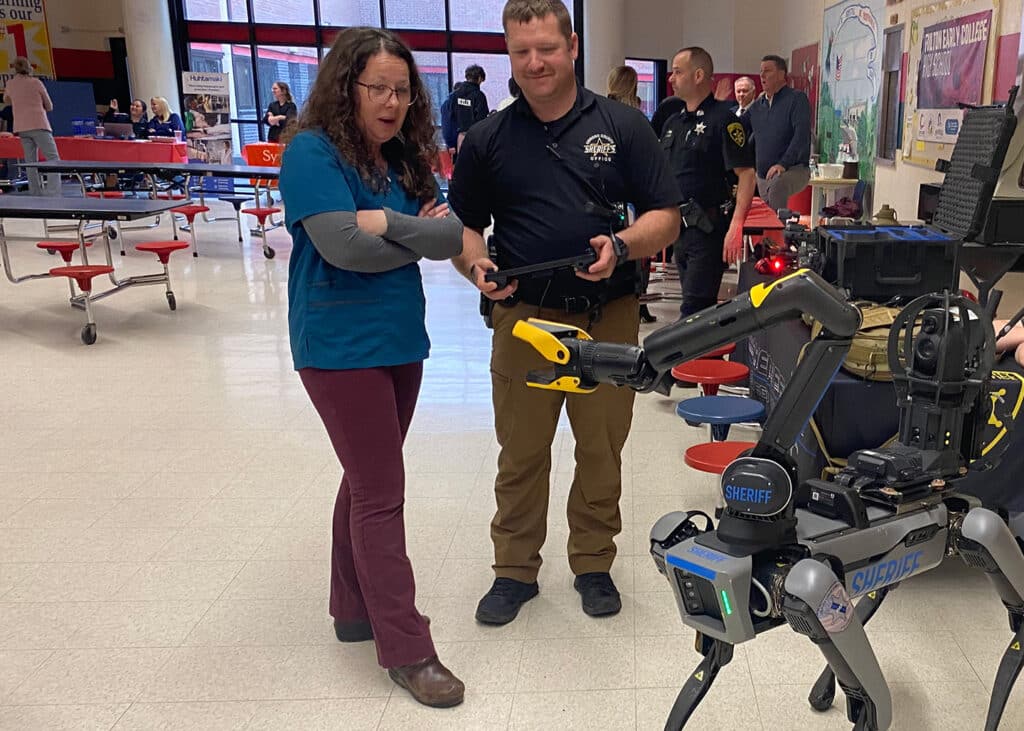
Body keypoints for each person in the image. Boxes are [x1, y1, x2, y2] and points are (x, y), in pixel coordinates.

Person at [448, 0, 680, 626]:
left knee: (601, 451)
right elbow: (463, 227)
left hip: (607, 318)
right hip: (522, 320)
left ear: (572, 47)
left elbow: (666, 217)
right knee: (521, 452)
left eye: (546, 48)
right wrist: (475, 266)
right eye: (521, 51)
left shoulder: (623, 126)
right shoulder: (488, 139)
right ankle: (514, 570)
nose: (534, 63)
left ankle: (593, 563)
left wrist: (622, 245)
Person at [278, 26, 466, 708]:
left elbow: (451, 235)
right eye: (377, 88)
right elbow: (342, 249)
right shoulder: (311, 152)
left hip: (398, 340)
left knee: (364, 479)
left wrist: (384, 223)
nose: (391, 102)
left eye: (402, 90)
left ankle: (352, 609)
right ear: (346, 87)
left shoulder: (406, 157)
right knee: (382, 490)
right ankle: (407, 647)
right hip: (337, 345)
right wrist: (411, 232)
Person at [661, 47, 756, 317]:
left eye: (678, 72)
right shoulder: (673, 123)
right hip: (679, 229)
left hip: (707, 228)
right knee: (695, 311)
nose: (671, 78)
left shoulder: (724, 120)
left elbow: (746, 174)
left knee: (694, 311)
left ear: (698, 75)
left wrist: (737, 225)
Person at [747, 54, 811, 212]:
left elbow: (801, 135)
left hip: (793, 169)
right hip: (763, 175)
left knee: (777, 185)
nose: (762, 75)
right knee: (765, 215)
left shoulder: (796, 99)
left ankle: (779, 229)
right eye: (761, 71)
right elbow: (736, 128)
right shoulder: (756, 106)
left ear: (782, 74)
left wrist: (783, 163)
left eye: (767, 71)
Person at [4, 56, 60, 196]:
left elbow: (7, 100)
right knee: (53, 159)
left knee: (30, 162)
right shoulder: (36, 82)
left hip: (21, 127)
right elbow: (49, 106)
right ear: (29, 68)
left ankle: (35, 193)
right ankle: (53, 192)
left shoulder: (10, 84)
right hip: (39, 124)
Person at [450, 64, 489, 153]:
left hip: (460, 137)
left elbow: (451, 115)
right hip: (475, 138)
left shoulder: (456, 94)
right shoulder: (479, 96)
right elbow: (482, 119)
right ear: (479, 78)